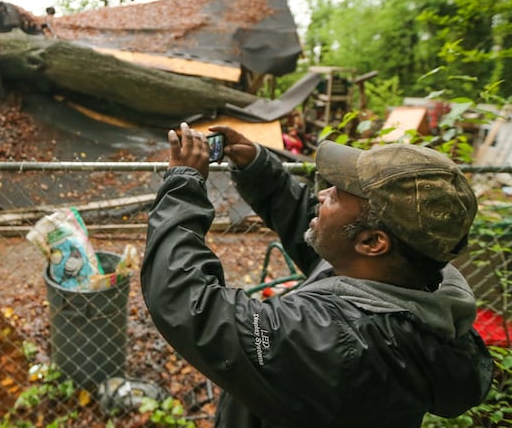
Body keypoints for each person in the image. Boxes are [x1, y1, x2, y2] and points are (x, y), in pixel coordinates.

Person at [140, 122, 493, 428]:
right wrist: (260, 167)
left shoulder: (336, 344)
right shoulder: (403, 280)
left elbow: (188, 301)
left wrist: (184, 183)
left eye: (338, 196)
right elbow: (328, 234)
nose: (323, 194)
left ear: (372, 242)